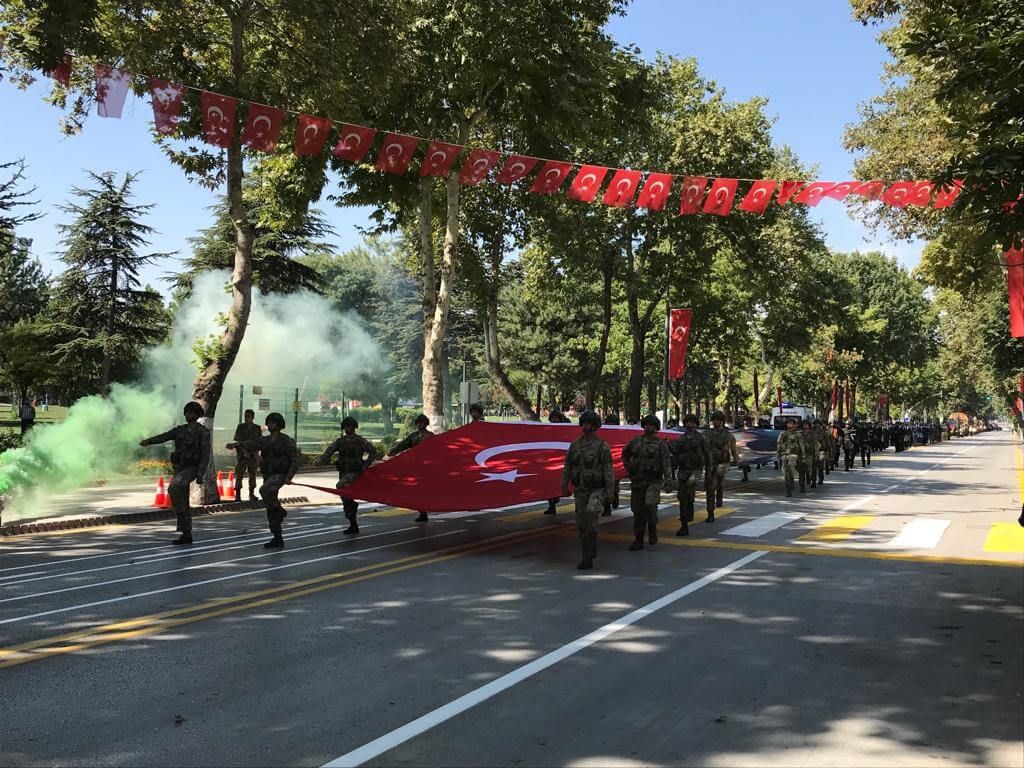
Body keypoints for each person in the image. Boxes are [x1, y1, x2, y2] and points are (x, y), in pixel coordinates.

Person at [140, 401, 211, 545]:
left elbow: (205, 454)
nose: (188, 415)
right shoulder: (180, 430)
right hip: (180, 467)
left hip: (191, 468)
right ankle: (186, 533)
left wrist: (200, 474)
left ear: (197, 415)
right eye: (186, 412)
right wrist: (149, 441)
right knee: (180, 498)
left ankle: (185, 528)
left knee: (174, 487)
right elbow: (165, 436)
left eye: (191, 412)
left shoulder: (202, 432)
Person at [227, 412, 298, 548]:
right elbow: (252, 443)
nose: (270, 425)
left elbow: (294, 460)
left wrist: (289, 477)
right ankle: (277, 536)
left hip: (280, 474)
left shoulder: (285, 440)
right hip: (268, 475)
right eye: (269, 422)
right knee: (270, 507)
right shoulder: (264, 440)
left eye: (273, 422)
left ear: (278, 425)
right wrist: (237, 444)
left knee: (264, 490)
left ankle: (279, 511)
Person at [560, 410, 615, 570]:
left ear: (595, 426)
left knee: (591, 513)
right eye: (583, 423)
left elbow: (608, 469)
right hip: (581, 489)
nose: (586, 426)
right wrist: (564, 484)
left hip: (597, 489)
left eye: (589, 424)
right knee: (581, 523)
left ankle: (591, 545)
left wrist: (610, 490)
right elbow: (568, 466)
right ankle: (586, 555)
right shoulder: (575, 445)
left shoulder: (602, 446)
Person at [314, 416, 378, 535]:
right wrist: (320, 460)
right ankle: (353, 523)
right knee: (345, 497)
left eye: (349, 426)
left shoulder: (360, 441)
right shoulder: (340, 441)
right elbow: (329, 451)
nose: (347, 429)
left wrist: (365, 465)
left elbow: (373, 452)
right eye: (345, 427)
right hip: (343, 472)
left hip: (355, 472)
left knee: (340, 486)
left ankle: (352, 510)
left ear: (354, 428)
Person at [621, 414, 674, 550]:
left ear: (656, 427)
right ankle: (638, 539)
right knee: (637, 510)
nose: (649, 427)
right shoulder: (636, 441)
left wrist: (668, 481)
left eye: (652, 425)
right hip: (638, 480)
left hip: (653, 481)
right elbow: (625, 453)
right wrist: (629, 468)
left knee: (650, 505)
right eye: (647, 424)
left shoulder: (660, 444)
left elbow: (666, 463)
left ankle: (652, 527)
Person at [388, 413, 433, 521]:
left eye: (422, 423)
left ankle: (425, 509)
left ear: (425, 424)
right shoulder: (413, 436)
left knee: (424, 490)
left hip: (427, 466)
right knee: (417, 490)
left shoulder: (430, 436)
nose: (420, 425)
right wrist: (393, 451)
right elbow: (403, 445)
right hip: (416, 467)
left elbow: (437, 449)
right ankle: (422, 512)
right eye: (418, 423)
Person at [670, 413, 707, 536]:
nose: (689, 424)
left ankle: (689, 511)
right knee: (682, 497)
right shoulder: (681, 438)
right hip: (683, 470)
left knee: (689, 496)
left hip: (695, 470)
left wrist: (709, 468)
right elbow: (676, 452)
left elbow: (707, 453)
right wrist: (669, 445)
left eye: (692, 422)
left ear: (696, 424)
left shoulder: (701, 438)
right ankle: (684, 524)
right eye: (687, 422)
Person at [703, 410, 739, 521]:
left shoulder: (728, 435)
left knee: (720, 484)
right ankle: (710, 512)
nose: (716, 422)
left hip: (723, 463)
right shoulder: (706, 434)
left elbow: (733, 448)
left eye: (719, 420)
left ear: (722, 421)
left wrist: (736, 459)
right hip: (710, 464)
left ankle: (719, 496)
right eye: (715, 420)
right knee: (710, 488)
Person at [232, 409, 262, 501]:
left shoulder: (257, 428)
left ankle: (251, 493)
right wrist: (244, 451)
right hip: (242, 455)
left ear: (252, 417)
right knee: (239, 474)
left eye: (248, 416)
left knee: (252, 474)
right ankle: (238, 494)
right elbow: (238, 441)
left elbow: (258, 442)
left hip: (253, 455)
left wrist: (255, 454)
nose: (246, 418)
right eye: (245, 416)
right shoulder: (241, 427)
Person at [543, 409, 570, 515]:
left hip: (564, 461)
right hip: (551, 461)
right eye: (552, 418)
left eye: (556, 418)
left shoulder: (566, 430)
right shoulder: (547, 430)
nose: (554, 420)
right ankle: (552, 504)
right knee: (549, 482)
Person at [777, 418, 802, 497]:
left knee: (791, 469)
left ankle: (791, 481)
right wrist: (778, 453)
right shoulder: (783, 434)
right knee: (785, 472)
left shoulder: (798, 434)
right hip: (784, 454)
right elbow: (779, 444)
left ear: (795, 425)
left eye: (791, 423)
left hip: (793, 454)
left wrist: (803, 455)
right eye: (788, 423)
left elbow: (801, 445)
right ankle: (788, 488)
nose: (790, 425)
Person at [602, 411, 621, 511]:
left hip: (615, 462)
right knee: (604, 484)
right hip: (604, 463)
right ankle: (606, 507)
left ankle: (615, 495)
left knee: (614, 483)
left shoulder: (620, 433)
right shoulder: (602, 433)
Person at [799, 420, 817, 491]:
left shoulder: (812, 434)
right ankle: (802, 485)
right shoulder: (799, 434)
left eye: (806, 425)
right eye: (804, 424)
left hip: (809, 454)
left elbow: (815, 444)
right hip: (800, 454)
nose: (805, 426)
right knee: (801, 470)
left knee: (808, 468)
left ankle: (810, 478)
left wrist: (816, 453)